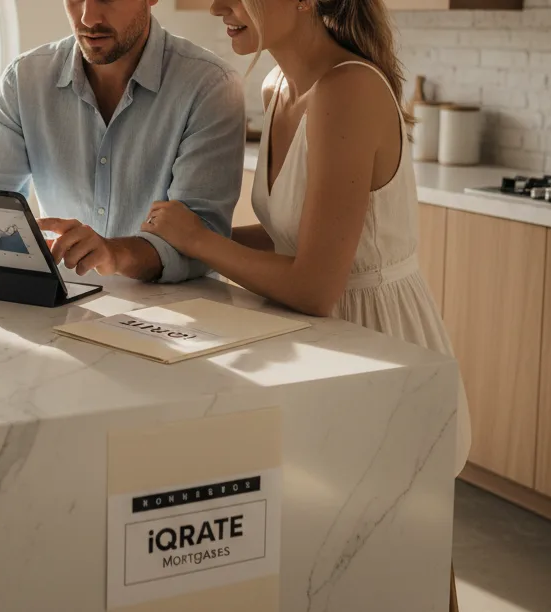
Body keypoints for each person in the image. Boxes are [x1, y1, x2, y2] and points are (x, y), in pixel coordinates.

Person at [139, 1, 467, 608]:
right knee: (333, 571)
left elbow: (316, 285)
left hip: (382, 354)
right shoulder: (278, 85)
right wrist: (173, 245)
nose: (217, 7)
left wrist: (199, 240)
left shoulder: (349, 91)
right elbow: (294, 236)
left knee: (410, 571)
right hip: (320, 351)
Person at [0, 0, 246, 284]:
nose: (88, 18)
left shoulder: (210, 86)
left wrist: (115, 253)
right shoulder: (24, 79)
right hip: (64, 306)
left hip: (179, 318)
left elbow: (204, 239)